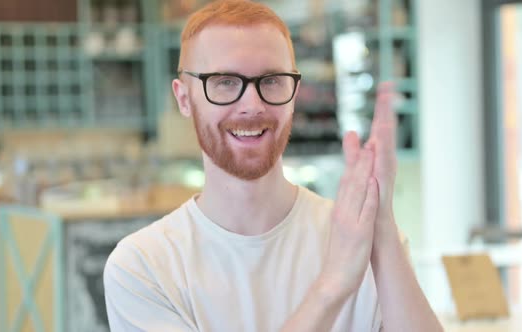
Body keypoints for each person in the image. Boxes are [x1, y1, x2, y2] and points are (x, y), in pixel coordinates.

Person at [104, 0, 443, 331]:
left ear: (294, 93)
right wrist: (333, 285)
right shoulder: (143, 266)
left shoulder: (364, 239)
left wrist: (381, 234)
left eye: (271, 81)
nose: (252, 105)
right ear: (183, 98)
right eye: (224, 82)